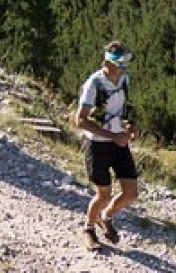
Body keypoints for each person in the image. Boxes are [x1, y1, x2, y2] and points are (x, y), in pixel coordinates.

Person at [75, 41, 140, 250]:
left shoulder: (124, 80)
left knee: (131, 192)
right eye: (120, 65)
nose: (123, 69)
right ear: (106, 63)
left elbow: (124, 110)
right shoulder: (94, 84)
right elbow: (81, 120)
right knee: (103, 194)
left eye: (125, 64)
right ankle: (88, 228)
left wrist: (130, 127)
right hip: (98, 144)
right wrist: (112, 135)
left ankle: (107, 217)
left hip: (118, 140)